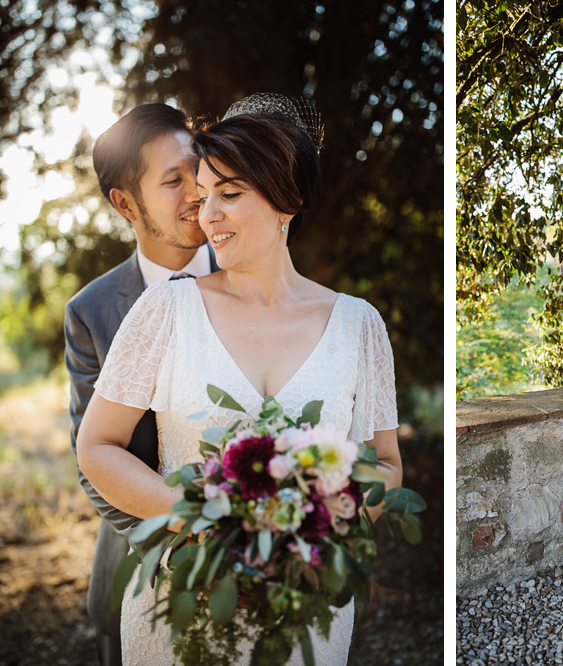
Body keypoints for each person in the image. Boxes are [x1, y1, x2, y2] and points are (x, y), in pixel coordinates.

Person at [75, 93, 402, 665]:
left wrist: (316, 531)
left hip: (306, 608)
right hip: (184, 602)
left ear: (288, 201)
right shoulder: (163, 312)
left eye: (228, 195)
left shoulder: (360, 326)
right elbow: (96, 446)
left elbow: (388, 465)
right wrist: (199, 520)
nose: (207, 215)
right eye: (203, 198)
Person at [64, 102, 217, 666]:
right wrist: (186, 543)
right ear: (125, 203)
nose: (198, 190)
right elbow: (92, 458)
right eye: (173, 180)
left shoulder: (258, 274)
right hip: (137, 567)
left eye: (197, 168)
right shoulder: (92, 312)